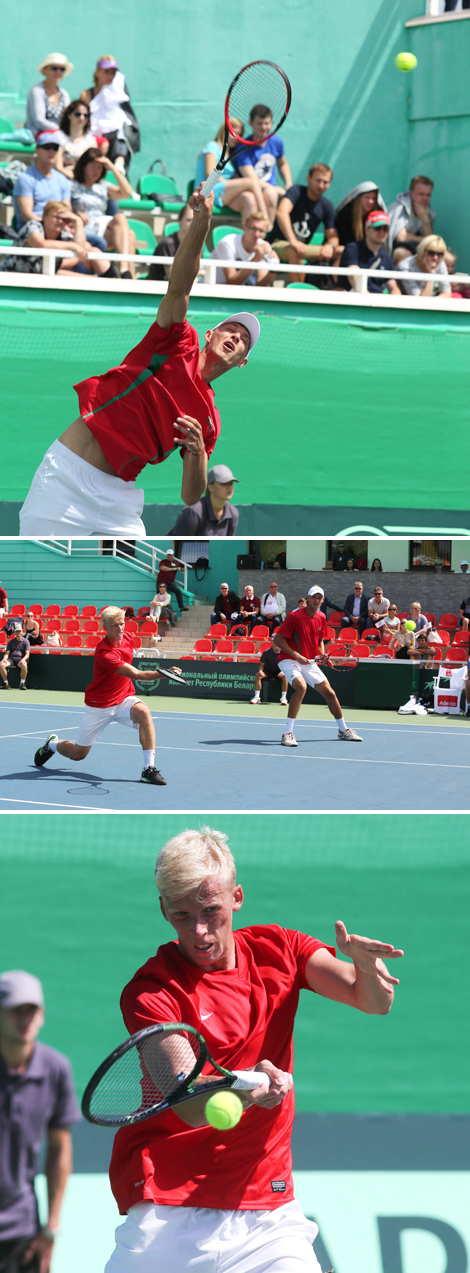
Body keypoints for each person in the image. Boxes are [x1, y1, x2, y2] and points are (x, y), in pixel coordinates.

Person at [104, 828, 402, 1272]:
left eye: (211, 911)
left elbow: (372, 1001)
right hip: (169, 1214)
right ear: (164, 910)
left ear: (236, 897)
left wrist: (363, 966)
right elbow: (188, 1099)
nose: (200, 931)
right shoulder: (152, 992)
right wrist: (251, 1091)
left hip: (268, 1216)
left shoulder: (280, 948)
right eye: (183, 915)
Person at [19, 183, 260, 538]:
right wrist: (202, 223)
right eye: (232, 329)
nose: (237, 337)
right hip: (67, 478)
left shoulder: (209, 420)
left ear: (241, 362)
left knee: (137, 586)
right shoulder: (177, 341)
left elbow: (191, 495)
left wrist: (197, 454)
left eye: (244, 340)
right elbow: (179, 286)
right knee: (35, 581)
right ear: (211, 334)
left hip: (119, 498)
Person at [34, 607, 183, 785]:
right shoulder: (105, 654)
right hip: (100, 705)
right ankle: (52, 744)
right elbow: (137, 674)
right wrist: (165, 673)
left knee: (144, 712)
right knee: (78, 755)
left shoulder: (128, 637)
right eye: (115, 626)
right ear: (105, 626)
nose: (120, 629)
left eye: (122, 624)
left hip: (123, 698)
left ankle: (148, 769)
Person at [0, 969, 80, 1273]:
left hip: (24, 1232)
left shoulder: (56, 1069)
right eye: (15, 1011)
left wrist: (51, 1228)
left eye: (31, 1010)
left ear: (42, 1015)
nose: (25, 1019)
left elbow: (60, 1150)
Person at [274, 586, 362, 745]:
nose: (316, 600)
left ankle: (343, 730)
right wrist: (297, 655)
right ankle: (287, 733)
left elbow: (320, 640)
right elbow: (278, 640)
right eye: (314, 597)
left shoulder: (321, 617)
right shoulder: (294, 616)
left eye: (319, 598)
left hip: (308, 661)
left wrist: (321, 654)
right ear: (307, 598)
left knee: (330, 694)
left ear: (323, 600)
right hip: (288, 658)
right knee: (301, 687)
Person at [69, 148, 137, 278]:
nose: (97, 171)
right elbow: (64, 206)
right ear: (84, 166)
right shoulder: (72, 185)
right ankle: (127, 274)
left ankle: (125, 272)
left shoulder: (103, 186)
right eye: (93, 166)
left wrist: (112, 167)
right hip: (84, 229)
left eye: (100, 168)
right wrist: (75, 214)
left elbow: (127, 192)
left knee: (129, 233)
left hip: (102, 227)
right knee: (126, 230)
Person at [268, 163, 339, 281]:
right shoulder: (296, 191)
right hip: (278, 244)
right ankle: (300, 293)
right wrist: (293, 241)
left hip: (303, 248)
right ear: (308, 178)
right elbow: (281, 213)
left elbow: (333, 236)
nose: (321, 185)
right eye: (318, 180)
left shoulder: (327, 205)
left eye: (325, 182)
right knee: (294, 250)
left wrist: (330, 246)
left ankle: (338, 291)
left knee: (341, 252)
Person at [10, 199, 116, 279]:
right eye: (56, 217)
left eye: (64, 219)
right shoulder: (33, 225)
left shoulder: (63, 234)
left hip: (41, 279)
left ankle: (114, 282)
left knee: (94, 251)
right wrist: (72, 246)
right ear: (44, 216)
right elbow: (41, 245)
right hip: (13, 278)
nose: (60, 221)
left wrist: (78, 221)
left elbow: (81, 249)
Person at [194, 119, 271, 221]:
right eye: (233, 133)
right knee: (252, 182)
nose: (236, 138)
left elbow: (236, 178)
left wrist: (238, 184)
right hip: (206, 192)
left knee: (249, 198)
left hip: (223, 193)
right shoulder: (213, 146)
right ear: (224, 131)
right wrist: (234, 183)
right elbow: (210, 175)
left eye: (239, 135)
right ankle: (266, 222)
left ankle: (250, 234)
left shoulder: (229, 154)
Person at [235, 104, 293, 227]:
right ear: (250, 123)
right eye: (259, 123)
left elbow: (282, 164)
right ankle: (266, 231)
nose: (263, 127)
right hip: (253, 192)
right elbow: (253, 180)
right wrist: (275, 190)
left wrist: (288, 184)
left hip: (271, 193)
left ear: (272, 123)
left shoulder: (276, 141)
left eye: (266, 123)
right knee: (271, 194)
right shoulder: (243, 149)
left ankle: (268, 234)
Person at [80, 57, 140, 175]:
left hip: (114, 137)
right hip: (94, 136)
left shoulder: (118, 93)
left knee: (122, 132)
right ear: (97, 73)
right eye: (106, 72)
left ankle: (119, 164)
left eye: (113, 73)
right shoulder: (86, 94)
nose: (110, 76)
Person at [13, 131, 71, 225]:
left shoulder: (62, 179)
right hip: (33, 228)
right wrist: (49, 226)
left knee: (93, 240)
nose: (51, 151)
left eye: (55, 148)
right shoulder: (25, 178)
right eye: (47, 147)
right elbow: (26, 216)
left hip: (57, 228)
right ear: (37, 150)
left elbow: (67, 210)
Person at [168, 464, 239, 537]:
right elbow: (180, 543)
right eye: (223, 483)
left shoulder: (233, 513)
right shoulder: (194, 512)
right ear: (210, 487)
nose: (229, 487)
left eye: (231, 483)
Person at [210, 213, 279, 286]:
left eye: (261, 231)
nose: (257, 234)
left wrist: (272, 270)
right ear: (244, 228)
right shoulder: (227, 243)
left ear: (266, 234)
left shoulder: (264, 247)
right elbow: (232, 282)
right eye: (253, 229)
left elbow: (260, 285)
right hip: (214, 290)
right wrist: (255, 260)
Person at [341, 210, 400, 294]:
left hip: (375, 302)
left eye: (385, 228)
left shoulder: (386, 258)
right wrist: (369, 301)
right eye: (377, 228)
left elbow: (394, 288)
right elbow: (353, 277)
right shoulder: (353, 248)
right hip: (353, 300)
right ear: (366, 230)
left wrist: (395, 303)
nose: (382, 232)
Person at [332, 182, 386, 266]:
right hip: (348, 252)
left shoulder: (377, 216)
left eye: (374, 198)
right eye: (366, 197)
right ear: (358, 198)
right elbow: (345, 242)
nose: (371, 201)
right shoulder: (345, 215)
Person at [387, 176, 436, 263]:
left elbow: (431, 243)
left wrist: (425, 221)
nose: (425, 198)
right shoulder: (399, 207)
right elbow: (401, 237)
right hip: (392, 252)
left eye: (428, 195)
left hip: (416, 249)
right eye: (421, 194)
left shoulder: (427, 210)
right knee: (404, 254)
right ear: (410, 193)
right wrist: (425, 239)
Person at [56, 100, 108, 178]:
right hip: (62, 178)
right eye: (78, 114)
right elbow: (58, 167)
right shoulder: (58, 137)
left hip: (83, 181)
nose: (82, 118)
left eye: (86, 115)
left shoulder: (91, 141)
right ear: (69, 115)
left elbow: (93, 166)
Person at [25, 53, 73, 135]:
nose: (58, 72)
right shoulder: (37, 91)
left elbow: (67, 118)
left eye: (62, 69)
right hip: (38, 135)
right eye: (54, 68)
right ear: (45, 70)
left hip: (59, 135)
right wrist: (59, 130)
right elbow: (39, 121)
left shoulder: (64, 94)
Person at [146, 205, 193, 282]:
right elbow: (173, 278)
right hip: (156, 289)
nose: (192, 224)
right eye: (189, 220)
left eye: (195, 221)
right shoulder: (167, 244)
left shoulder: (197, 245)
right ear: (180, 221)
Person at [0, 621, 30, 690]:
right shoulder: (11, 642)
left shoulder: (26, 642)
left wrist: (23, 660)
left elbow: (27, 654)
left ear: (22, 632)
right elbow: (7, 653)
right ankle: (6, 684)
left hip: (20, 659)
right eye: (17, 631)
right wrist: (4, 659)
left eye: (19, 631)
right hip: (11, 659)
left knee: (24, 666)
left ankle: (22, 684)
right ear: (14, 632)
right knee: (1, 665)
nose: (18, 633)